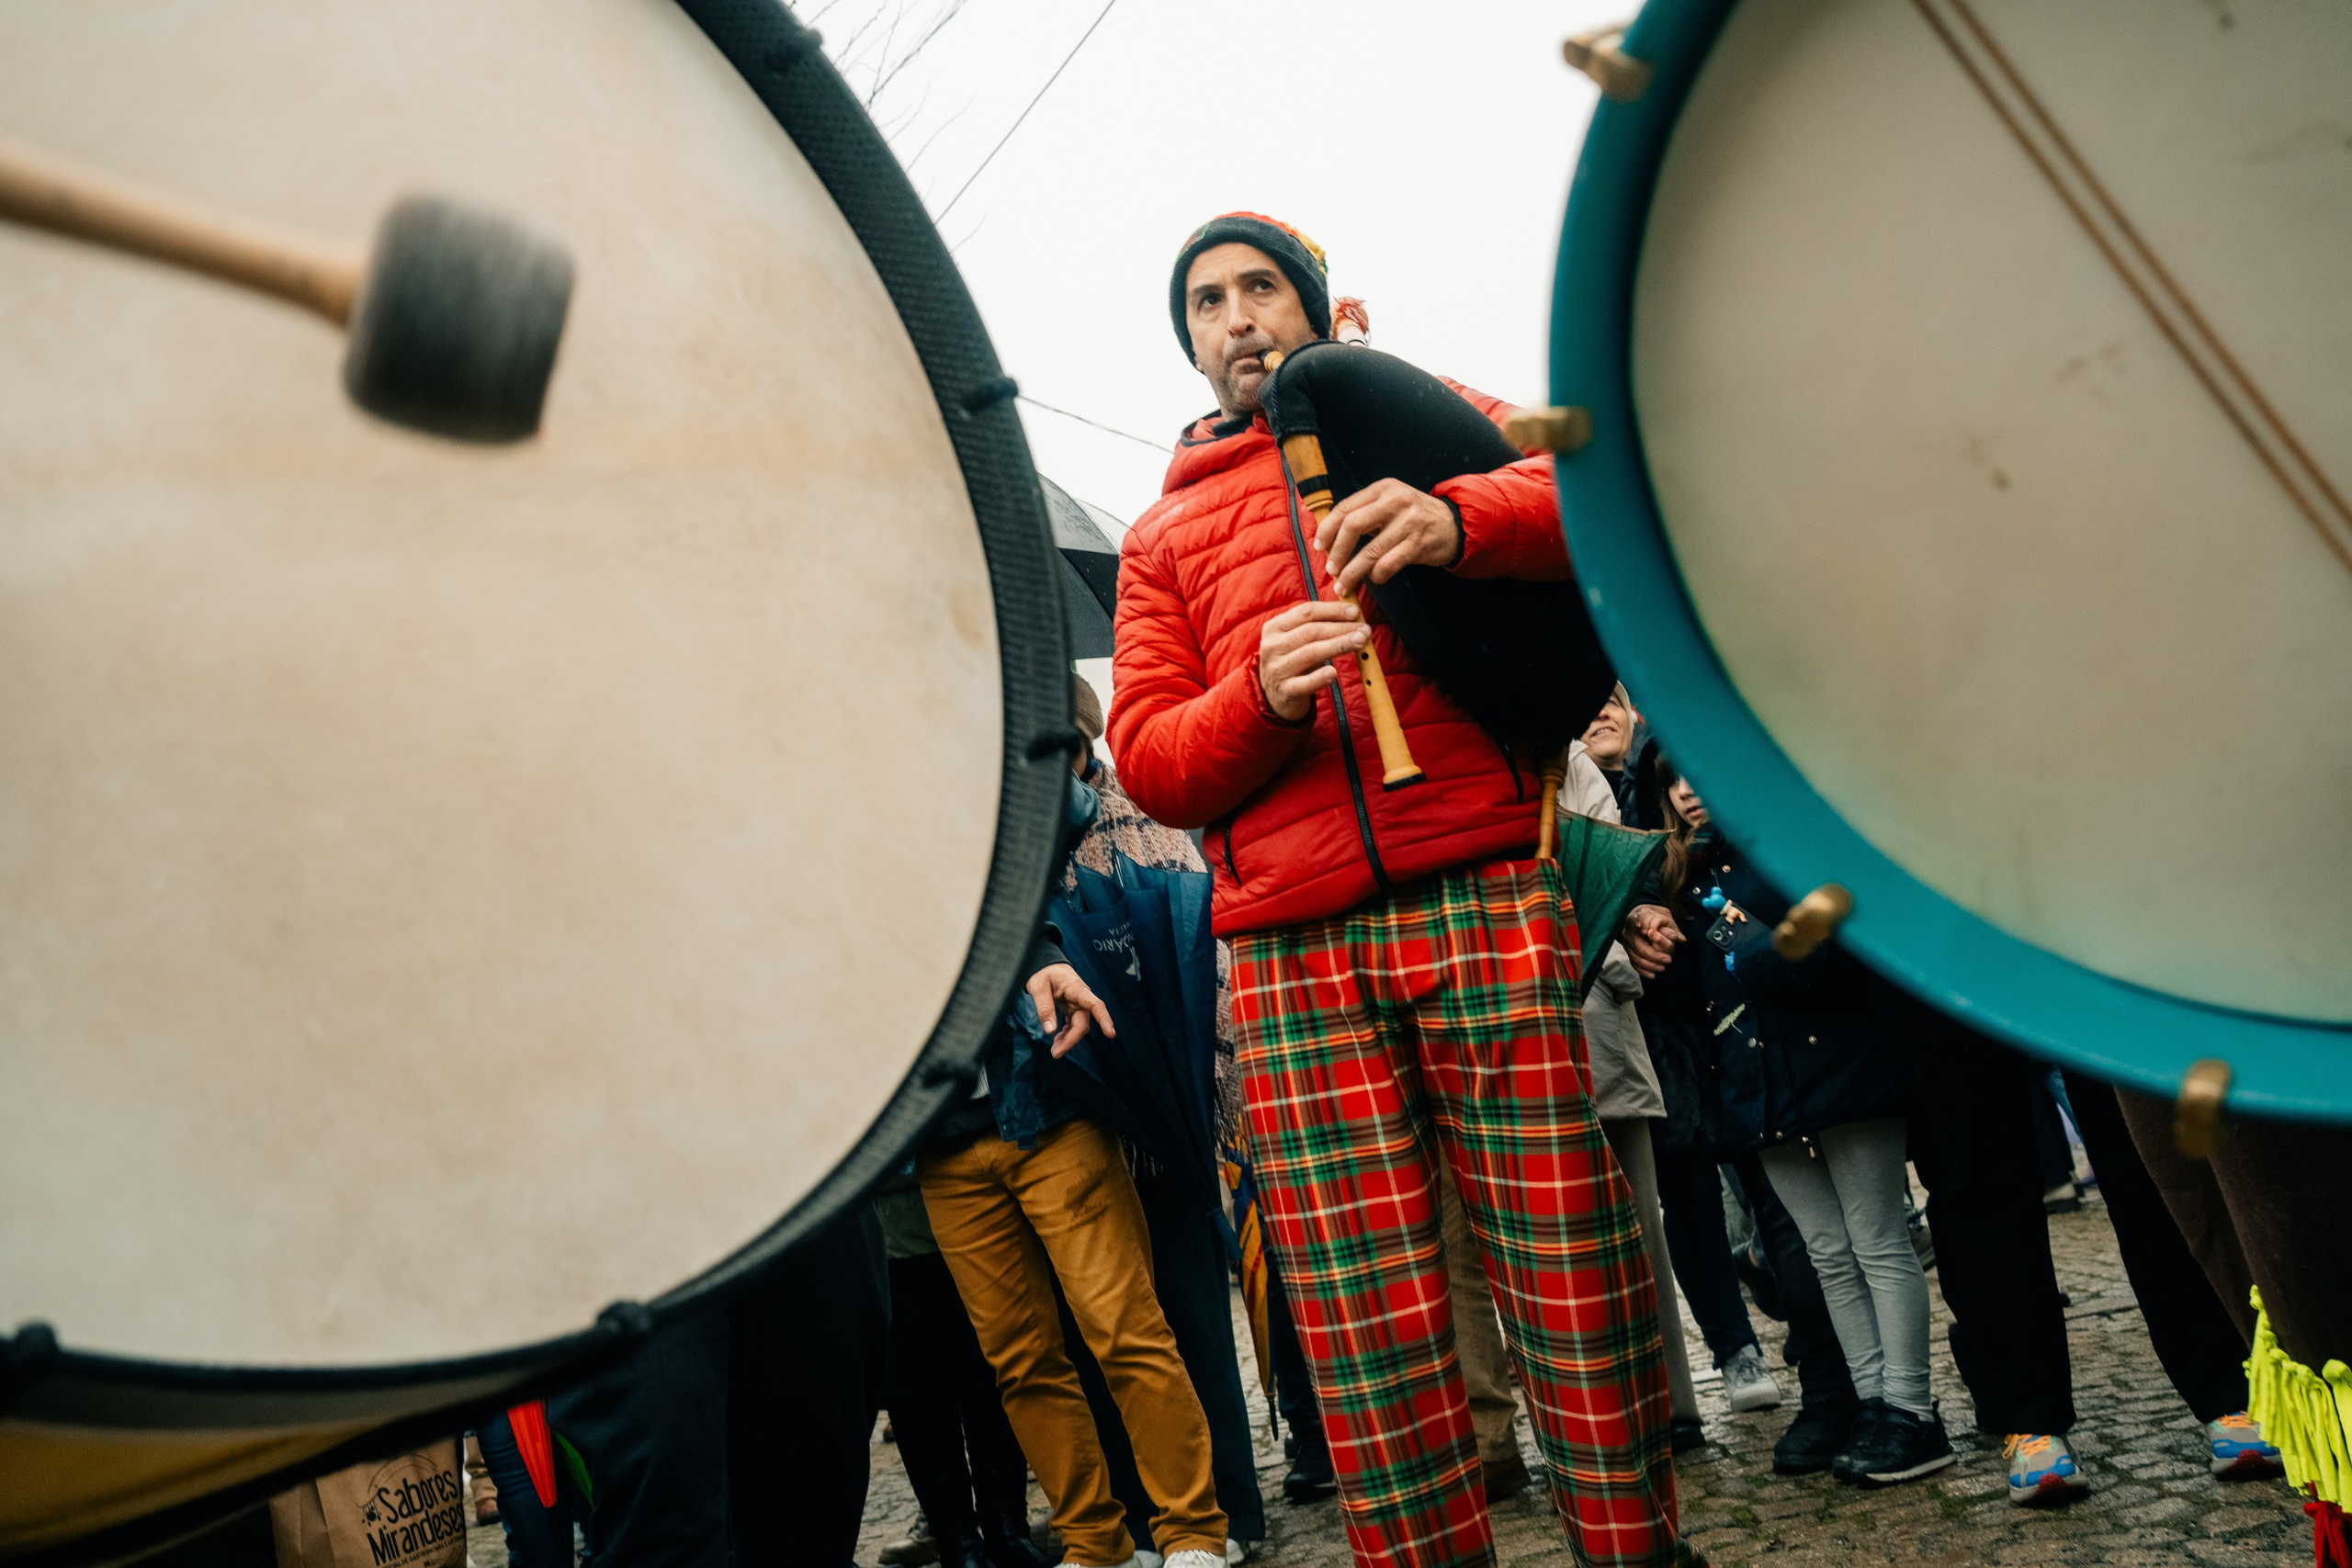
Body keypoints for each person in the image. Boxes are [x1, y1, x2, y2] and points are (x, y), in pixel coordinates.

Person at [1111, 210, 1696, 1568]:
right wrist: (1255, 695)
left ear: (1315, 308)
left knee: (1571, 1263)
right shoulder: (1160, 539)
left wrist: (1453, 515)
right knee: (1367, 1324)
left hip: (1482, 892)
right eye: (1208, 300)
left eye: (1263, 287)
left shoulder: (1423, 417)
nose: (1238, 316)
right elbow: (1147, 751)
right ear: (1189, 340)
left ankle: (1636, 1545)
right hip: (1289, 951)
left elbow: (1605, 494)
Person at [916, 761, 1228, 1568]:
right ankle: (1096, 1543)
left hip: (1044, 1093)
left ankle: (1193, 1529)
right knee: (1019, 1359)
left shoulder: (947, 755)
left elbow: (1067, 797)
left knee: (1123, 1325)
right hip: (941, 1133)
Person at [1661, 763, 1951, 1487]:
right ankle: (1877, 1404)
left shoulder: (1794, 846)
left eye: (1699, 767)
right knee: (1827, 1251)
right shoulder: (1685, 882)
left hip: (1846, 1070)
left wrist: (1741, 937)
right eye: (1672, 780)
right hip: (1759, 1092)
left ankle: (1913, 1409)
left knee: (1878, 1239)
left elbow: (1813, 957)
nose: (1690, 787)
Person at [1054, 676, 1266, 1563]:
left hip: (1170, 1117)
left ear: (1080, 743)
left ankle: (1232, 1512)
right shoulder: (1018, 843)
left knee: (1187, 1314)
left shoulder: (1142, 818)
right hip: (1081, 1125)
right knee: (1105, 1330)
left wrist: (1214, 1095)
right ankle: (1146, 1518)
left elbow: (1205, 953)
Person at [874, 1166, 1044, 1568]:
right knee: (916, 1388)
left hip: (976, 1201)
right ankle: (957, 1540)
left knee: (993, 1369)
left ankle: (1006, 1528)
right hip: (893, 1223)